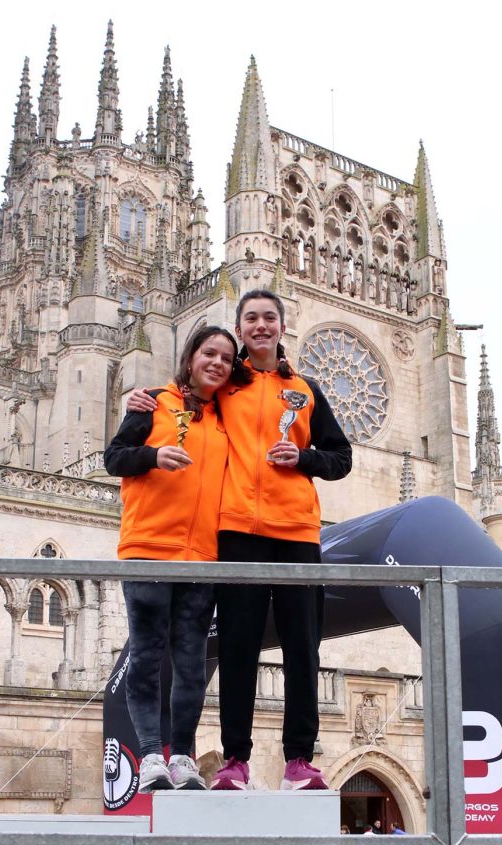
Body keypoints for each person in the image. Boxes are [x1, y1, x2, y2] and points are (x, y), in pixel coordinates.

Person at [128, 289, 352, 791]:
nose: (261, 325)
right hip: (235, 531)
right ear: (240, 327)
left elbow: (341, 458)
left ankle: (299, 760)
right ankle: (235, 760)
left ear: (282, 327)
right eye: (251, 318)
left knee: (302, 647)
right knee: (237, 648)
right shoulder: (226, 385)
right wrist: (143, 398)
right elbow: (185, 395)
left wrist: (306, 459)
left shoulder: (307, 390)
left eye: (270, 317)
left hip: (296, 532)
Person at [104, 327, 249, 791]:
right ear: (190, 357)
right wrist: (153, 456)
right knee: (147, 656)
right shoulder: (152, 402)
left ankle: (182, 756)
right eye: (210, 353)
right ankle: (150, 755)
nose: (218, 363)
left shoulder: (228, 418)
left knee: (190, 664)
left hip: (202, 557)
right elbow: (114, 459)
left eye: (226, 358)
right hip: (149, 548)